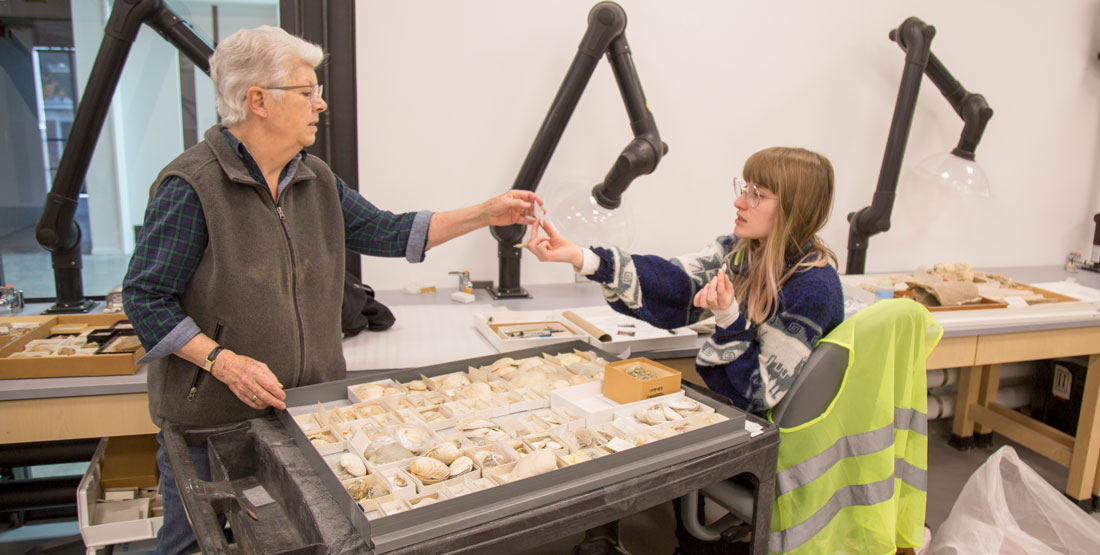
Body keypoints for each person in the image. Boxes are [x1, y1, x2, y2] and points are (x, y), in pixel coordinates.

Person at [121, 26, 541, 555]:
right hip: (212, 425)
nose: (320, 104)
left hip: (302, 414)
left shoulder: (313, 178)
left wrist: (485, 213)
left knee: (296, 541)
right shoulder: (191, 186)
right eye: (307, 92)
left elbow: (389, 230)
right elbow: (145, 298)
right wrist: (224, 362)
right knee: (192, 545)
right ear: (259, 101)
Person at [527, 146, 844, 414]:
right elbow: (675, 283)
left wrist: (728, 316)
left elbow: (757, 393)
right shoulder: (741, 253)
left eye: (756, 195)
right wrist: (584, 257)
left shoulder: (813, 288)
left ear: (794, 209)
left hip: (769, 441)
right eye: (744, 189)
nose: (739, 202)